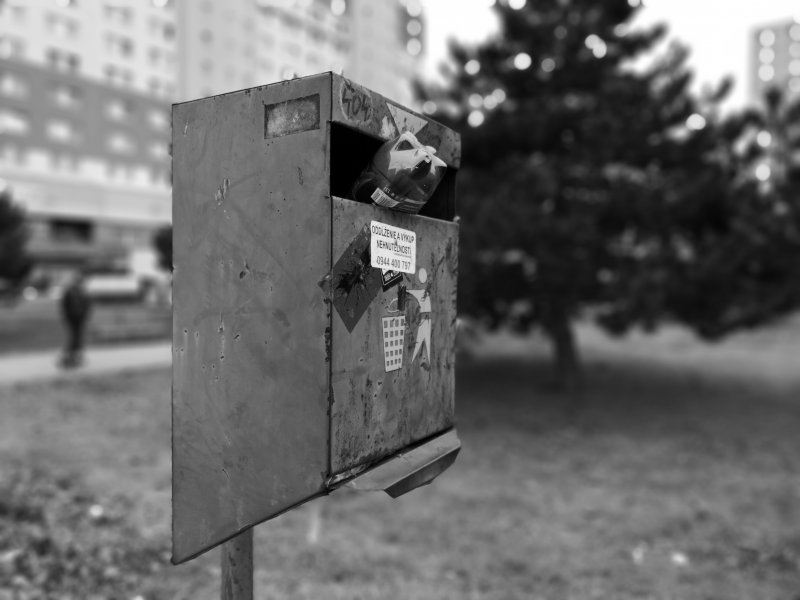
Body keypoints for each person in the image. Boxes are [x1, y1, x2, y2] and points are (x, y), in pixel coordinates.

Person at [59, 270, 92, 368]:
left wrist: (85, 315)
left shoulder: (82, 292)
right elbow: (65, 305)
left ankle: (76, 357)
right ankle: (69, 358)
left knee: (78, 338)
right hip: (72, 318)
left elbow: (87, 305)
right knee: (73, 338)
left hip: (80, 318)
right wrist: (67, 316)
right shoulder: (71, 292)